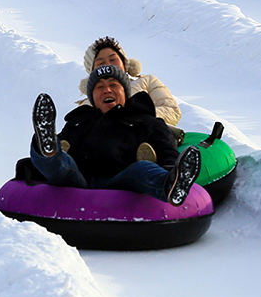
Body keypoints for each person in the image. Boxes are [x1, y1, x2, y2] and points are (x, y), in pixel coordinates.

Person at [27, 65, 202, 207]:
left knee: (141, 170)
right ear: (92, 97)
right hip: (75, 179)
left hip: (122, 180)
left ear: (125, 92)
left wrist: (171, 167)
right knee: (60, 160)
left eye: (113, 85)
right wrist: (30, 168)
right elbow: (61, 161)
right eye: (99, 87)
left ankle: (171, 185)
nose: (106, 90)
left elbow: (166, 150)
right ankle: (43, 144)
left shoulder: (148, 122)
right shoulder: (77, 123)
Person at [77, 36, 180, 126]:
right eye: (101, 63)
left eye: (113, 60)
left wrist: (134, 117)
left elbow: (172, 111)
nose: (109, 65)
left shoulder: (147, 82)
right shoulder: (90, 101)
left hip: (150, 134)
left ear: (124, 62)